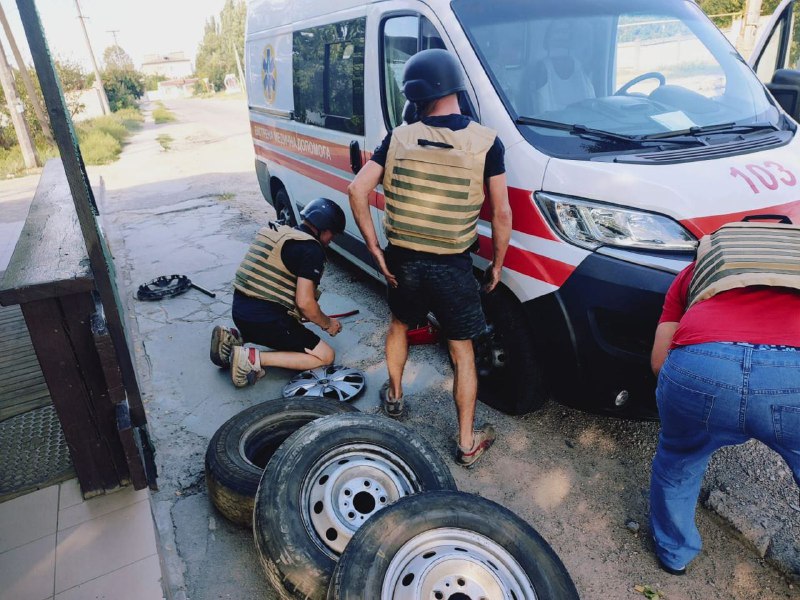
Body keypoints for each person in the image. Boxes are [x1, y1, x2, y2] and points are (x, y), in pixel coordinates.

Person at [347, 48, 513, 467]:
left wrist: (374, 249)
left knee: (400, 326)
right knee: (462, 352)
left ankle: (396, 397)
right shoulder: (486, 142)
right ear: (455, 87)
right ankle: (465, 442)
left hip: (403, 261)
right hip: (452, 266)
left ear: (417, 95)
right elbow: (501, 213)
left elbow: (356, 190)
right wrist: (497, 264)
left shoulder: (398, 138)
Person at [649, 218, 800, 575]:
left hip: (702, 363)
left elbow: (659, 361)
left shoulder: (696, 272)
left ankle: (674, 554)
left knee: (679, 460)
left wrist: (706, 408)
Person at [209, 198, 346, 387]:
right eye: (333, 234)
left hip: (240, 311)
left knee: (281, 324)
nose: (331, 240)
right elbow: (306, 304)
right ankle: (251, 358)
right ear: (324, 228)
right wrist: (327, 323)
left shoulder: (282, 232)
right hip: (265, 321)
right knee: (325, 356)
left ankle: (235, 338)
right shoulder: (311, 249)